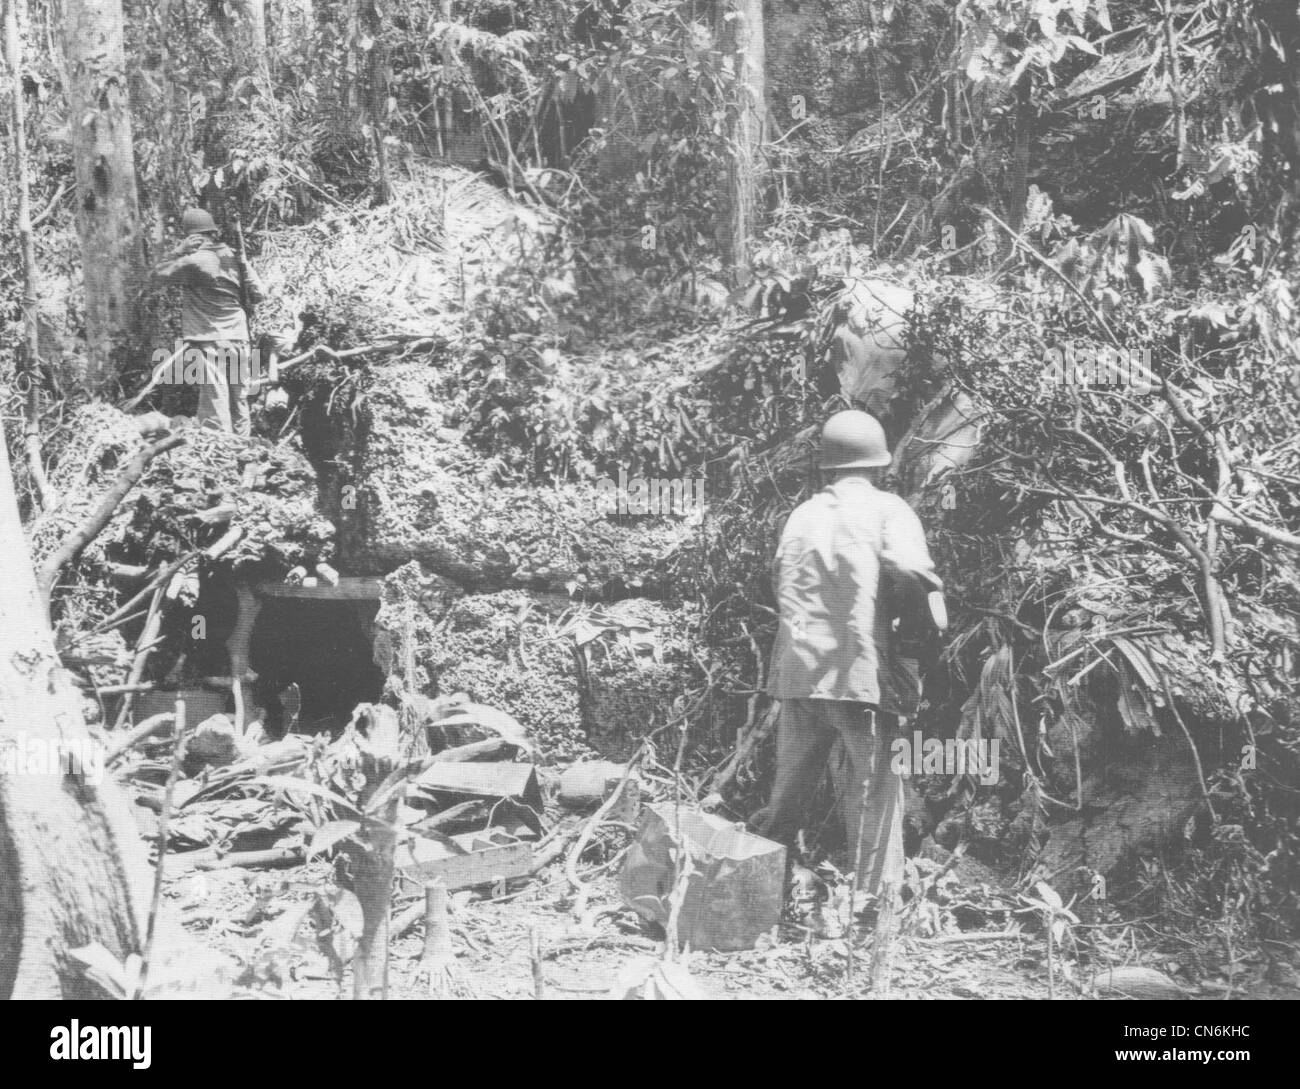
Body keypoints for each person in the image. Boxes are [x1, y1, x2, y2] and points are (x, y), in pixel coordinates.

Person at [750, 409, 945, 896]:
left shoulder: (802, 515)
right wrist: (920, 637)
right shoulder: (889, 511)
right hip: (861, 676)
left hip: (797, 673)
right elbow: (914, 576)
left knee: (788, 794)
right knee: (877, 793)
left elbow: (779, 581)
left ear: (828, 465)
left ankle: (753, 889)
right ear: (879, 463)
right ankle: (878, 911)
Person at [151, 208, 266, 435]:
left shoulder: (196, 261)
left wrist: (178, 251)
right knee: (239, 400)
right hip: (240, 336)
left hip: (211, 339)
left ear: (193, 236)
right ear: (213, 232)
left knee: (215, 402)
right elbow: (260, 293)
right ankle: (244, 451)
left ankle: (222, 459)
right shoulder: (234, 257)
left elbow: (156, 276)